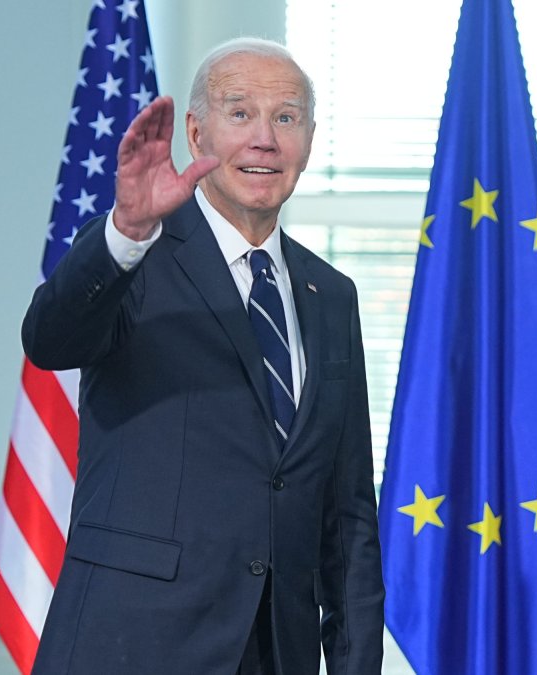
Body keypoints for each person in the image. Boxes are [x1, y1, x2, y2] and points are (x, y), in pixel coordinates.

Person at [23, 38, 384, 674]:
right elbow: (51, 341)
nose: (265, 139)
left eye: (286, 117)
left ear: (308, 141)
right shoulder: (135, 255)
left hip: (278, 652)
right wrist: (126, 233)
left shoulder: (332, 295)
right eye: (240, 113)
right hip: (134, 646)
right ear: (196, 133)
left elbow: (347, 514)